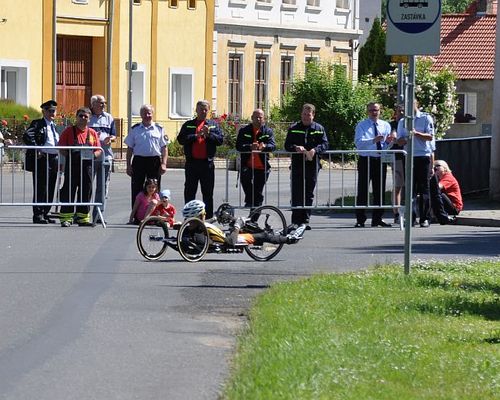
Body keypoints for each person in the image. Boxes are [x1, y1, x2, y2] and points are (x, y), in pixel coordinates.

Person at [284, 103, 328, 231]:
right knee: (296, 192)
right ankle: (295, 221)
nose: (305, 117)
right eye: (303, 114)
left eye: (308, 115)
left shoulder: (319, 128)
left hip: (312, 164)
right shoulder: (294, 127)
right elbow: (287, 145)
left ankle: (305, 220)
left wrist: (316, 149)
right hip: (297, 164)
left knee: (308, 193)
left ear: (313, 115)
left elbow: (325, 144)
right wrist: (295, 148)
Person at [181, 200, 301, 246]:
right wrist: (237, 225)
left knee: (236, 221)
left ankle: (273, 233)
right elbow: (230, 242)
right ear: (201, 215)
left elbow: (201, 224)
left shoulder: (189, 229)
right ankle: (288, 239)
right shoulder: (205, 228)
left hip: (222, 236)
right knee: (263, 236)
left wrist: (215, 218)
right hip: (231, 238)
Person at [177, 100, 223, 219]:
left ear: (208, 111)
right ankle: (189, 218)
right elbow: (181, 139)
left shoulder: (213, 124)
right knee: (189, 191)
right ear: (196, 110)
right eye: (201, 109)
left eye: (205, 110)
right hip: (192, 163)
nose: (203, 112)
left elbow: (220, 140)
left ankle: (207, 219)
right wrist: (195, 136)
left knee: (208, 192)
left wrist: (209, 135)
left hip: (206, 164)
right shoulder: (189, 124)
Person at [58, 107, 102, 227]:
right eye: (80, 116)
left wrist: (94, 155)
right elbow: (61, 147)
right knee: (69, 191)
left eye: (85, 116)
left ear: (89, 119)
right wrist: (71, 155)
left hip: (87, 167)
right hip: (72, 166)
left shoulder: (92, 133)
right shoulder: (68, 131)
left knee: (86, 191)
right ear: (76, 117)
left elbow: (98, 149)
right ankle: (66, 218)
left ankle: (82, 218)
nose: (83, 118)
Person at [354, 102, 393, 228]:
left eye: (376, 110)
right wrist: (373, 140)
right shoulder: (362, 125)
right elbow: (358, 143)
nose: (374, 112)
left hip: (379, 159)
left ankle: (377, 218)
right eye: (371, 110)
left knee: (379, 190)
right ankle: (360, 219)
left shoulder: (385, 125)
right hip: (366, 159)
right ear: (367, 111)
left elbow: (386, 146)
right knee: (363, 189)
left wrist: (389, 142)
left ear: (380, 111)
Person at [397, 100, 435, 227]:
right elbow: (400, 141)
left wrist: (416, 133)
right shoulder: (402, 121)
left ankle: (424, 218)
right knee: (410, 188)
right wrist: (405, 138)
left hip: (422, 156)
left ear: (416, 105)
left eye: (411, 104)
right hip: (408, 157)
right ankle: (411, 217)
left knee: (424, 188)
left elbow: (430, 137)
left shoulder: (425, 118)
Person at [22, 100, 60, 224]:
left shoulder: (54, 125)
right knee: (41, 187)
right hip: (43, 158)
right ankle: (38, 214)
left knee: (51, 186)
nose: (52, 113)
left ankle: (45, 212)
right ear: (43, 112)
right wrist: (37, 148)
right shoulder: (38, 123)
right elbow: (27, 135)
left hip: (54, 158)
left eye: (53, 111)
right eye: (49, 111)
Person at [125, 104, 168, 208]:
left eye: (149, 113)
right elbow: (130, 149)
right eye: (144, 113)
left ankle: (154, 214)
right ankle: (136, 216)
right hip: (139, 161)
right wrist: (128, 165)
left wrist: (164, 163)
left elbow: (164, 148)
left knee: (154, 188)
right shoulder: (135, 129)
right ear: (141, 115)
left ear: (152, 114)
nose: (147, 115)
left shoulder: (159, 129)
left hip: (154, 161)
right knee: (137, 187)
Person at [236, 109, 276, 208]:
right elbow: (238, 146)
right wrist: (249, 146)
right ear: (252, 118)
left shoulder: (268, 131)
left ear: (264, 119)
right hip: (247, 165)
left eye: (260, 117)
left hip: (262, 167)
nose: (258, 119)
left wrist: (265, 146)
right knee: (245, 183)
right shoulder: (244, 130)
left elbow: (273, 146)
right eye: (256, 117)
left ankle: (253, 220)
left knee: (258, 192)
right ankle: (251, 201)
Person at [88, 94, 116, 224]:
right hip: (90, 155)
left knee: (103, 186)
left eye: (104, 103)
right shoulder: (87, 116)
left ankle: (98, 213)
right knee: (87, 184)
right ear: (93, 104)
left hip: (106, 155)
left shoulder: (109, 117)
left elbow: (114, 135)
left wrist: (110, 139)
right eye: (101, 103)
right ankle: (84, 213)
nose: (103, 105)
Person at [430, 160, 463, 224]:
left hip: (455, 207)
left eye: (438, 166)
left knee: (438, 195)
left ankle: (441, 215)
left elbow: (437, 188)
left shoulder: (448, 177)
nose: (435, 168)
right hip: (446, 205)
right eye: (434, 166)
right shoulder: (439, 178)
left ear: (445, 168)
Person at [389, 105, 405, 224]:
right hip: (397, 158)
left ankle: (411, 212)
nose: (402, 113)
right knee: (398, 185)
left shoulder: (410, 123)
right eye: (400, 111)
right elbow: (393, 136)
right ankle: (396, 213)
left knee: (411, 187)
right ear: (396, 113)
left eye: (404, 111)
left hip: (411, 157)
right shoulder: (392, 125)